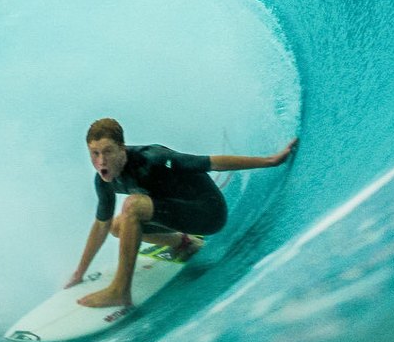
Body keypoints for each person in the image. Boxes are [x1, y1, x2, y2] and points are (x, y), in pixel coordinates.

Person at [68, 117, 298, 309]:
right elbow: (101, 226)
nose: (101, 161)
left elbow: (210, 163)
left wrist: (270, 161)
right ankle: (185, 244)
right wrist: (79, 273)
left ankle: (120, 290)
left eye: (107, 151)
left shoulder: (153, 158)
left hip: (208, 213)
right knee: (116, 225)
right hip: (176, 215)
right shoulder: (104, 181)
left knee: (133, 206)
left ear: (122, 148)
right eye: (94, 153)